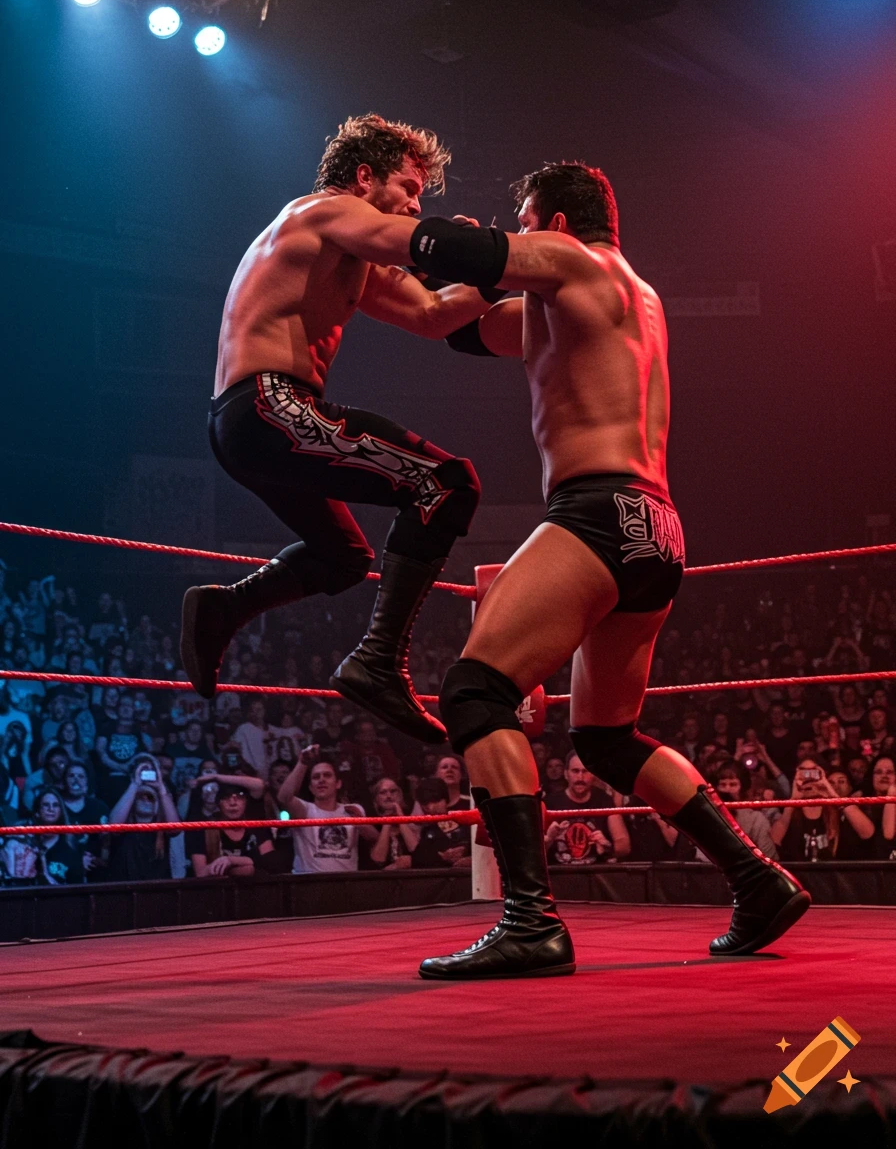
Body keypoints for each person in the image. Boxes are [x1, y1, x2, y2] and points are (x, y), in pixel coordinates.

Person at [388, 162, 810, 977]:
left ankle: (529, 922)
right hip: (657, 526)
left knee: (476, 693)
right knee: (607, 739)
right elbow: (452, 321)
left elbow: (449, 248)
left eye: (525, 222)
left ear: (548, 219)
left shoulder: (578, 264)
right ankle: (756, 878)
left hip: (597, 511)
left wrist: (354, 229)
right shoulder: (628, 300)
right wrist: (406, 282)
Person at [180, 115, 491, 744]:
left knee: (344, 557)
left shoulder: (351, 254)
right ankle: (378, 660)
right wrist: (484, 248)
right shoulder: (321, 213)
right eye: (408, 186)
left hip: (254, 423)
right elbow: (415, 243)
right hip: (270, 407)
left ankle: (225, 608)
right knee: (446, 484)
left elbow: (431, 314)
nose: (414, 202)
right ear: (363, 177)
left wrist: (490, 275)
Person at [277, 744, 374, 873]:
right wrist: (303, 762)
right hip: (310, 884)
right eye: (316, 777)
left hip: (346, 884)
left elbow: (374, 838)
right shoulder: (305, 810)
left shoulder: (353, 810)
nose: (321, 780)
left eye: (327, 775)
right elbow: (284, 797)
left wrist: (360, 822)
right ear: (311, 787)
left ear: (338, 783)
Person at [544, 752, 630, 865]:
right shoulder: (550, 803)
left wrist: (608, 847)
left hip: (595, 876)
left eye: (585, 771)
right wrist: (549, 839)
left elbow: (624, 845)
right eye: (575, 771)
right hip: (559, 876)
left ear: (593, 775)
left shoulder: (604, 800)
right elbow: (532, 854)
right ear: (566, 774)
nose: (580, 777)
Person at [107, 755, 180, 882]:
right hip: (124, 886)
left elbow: (176, 829)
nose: (146, 800)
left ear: (158, 803)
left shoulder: (162, 825)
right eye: (141, 796)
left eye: (150, 797)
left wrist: (161, 787)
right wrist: (135, 784)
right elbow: (113, 826)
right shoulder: (124, 821)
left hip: (157, 889)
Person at [186, 784, 275, 878]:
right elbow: (200, 873)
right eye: (226, 797)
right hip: (215, 889)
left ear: (246, 801)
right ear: (218, 803)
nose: (232, 803)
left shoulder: (258, 827)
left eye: (239, 797)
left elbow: (270, 864)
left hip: (256, 889)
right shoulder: (203, 829)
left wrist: (231, 860)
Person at [411, 777, 472, 869]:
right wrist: (441, 857)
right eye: (426, 804)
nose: (431, 807)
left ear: (445, 799)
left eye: (436, 801)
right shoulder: (427, 832)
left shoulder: (466, 821)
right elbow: (418, 860)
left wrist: (466, 852)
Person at [28, 787, 85, 885]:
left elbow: (77, 892)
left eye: (55, 805)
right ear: (37, 812)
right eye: (46, 805)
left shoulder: (70, 853)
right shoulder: (26, 846)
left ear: (61, 812)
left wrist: (46, 877)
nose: (51, 809)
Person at [362, 777, 421, 869]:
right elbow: (378, 860)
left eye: (393, 791)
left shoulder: (412, 824)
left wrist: (400, 816)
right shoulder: (373, 827)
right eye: (383, 792)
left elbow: (417, 852)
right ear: (376, 800)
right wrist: (387, 821)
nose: (389, 796)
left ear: (400, 796)